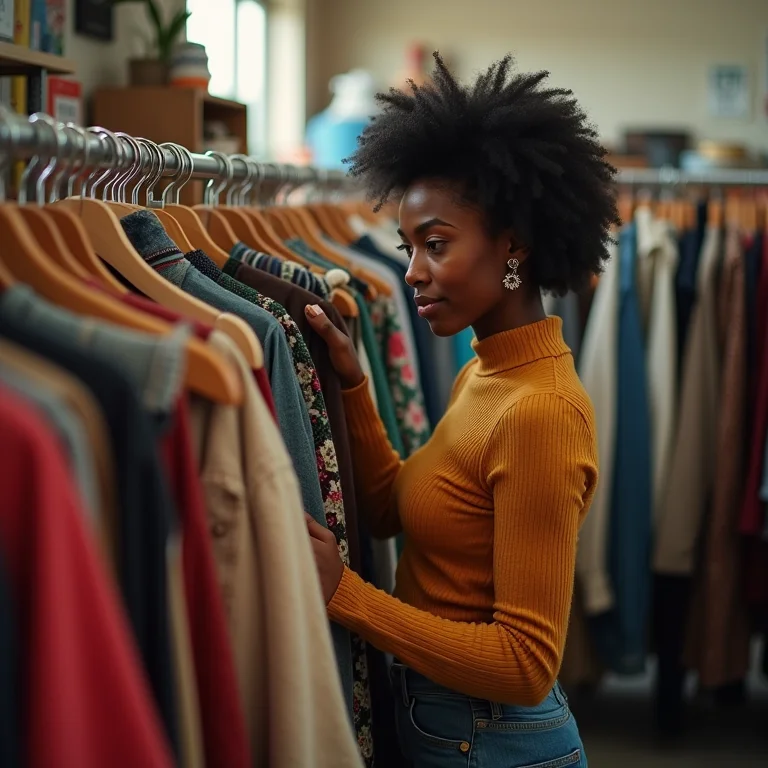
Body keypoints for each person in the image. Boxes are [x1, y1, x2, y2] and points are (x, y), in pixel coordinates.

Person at [304, 52, 617, 768]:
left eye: (435, 244)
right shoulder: (484, 370)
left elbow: (525, 661)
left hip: (492, 739)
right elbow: (393, 508)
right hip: (452, 725)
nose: (411, 271)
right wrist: (352, 385)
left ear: (512, 245)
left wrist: (348, 598)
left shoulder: (540, 412)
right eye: (407, 247)